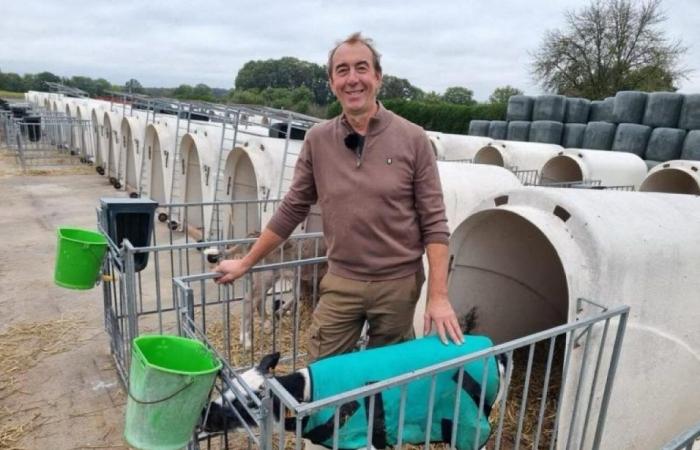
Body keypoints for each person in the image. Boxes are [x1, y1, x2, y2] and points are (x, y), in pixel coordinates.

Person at [214, 32, 462, 361]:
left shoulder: (413, 138)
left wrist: (439, 296)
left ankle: (375, 413)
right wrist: (247, 262)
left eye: (362, 68)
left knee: (388, 372)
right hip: (342, 279)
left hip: (397, 284)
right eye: (342, 70)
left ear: (378, 77)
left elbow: (434, 221)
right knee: (323, 368)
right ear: (332, 83)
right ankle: (329, 414)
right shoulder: (318, 140)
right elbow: (292, 209)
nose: (352, 79)